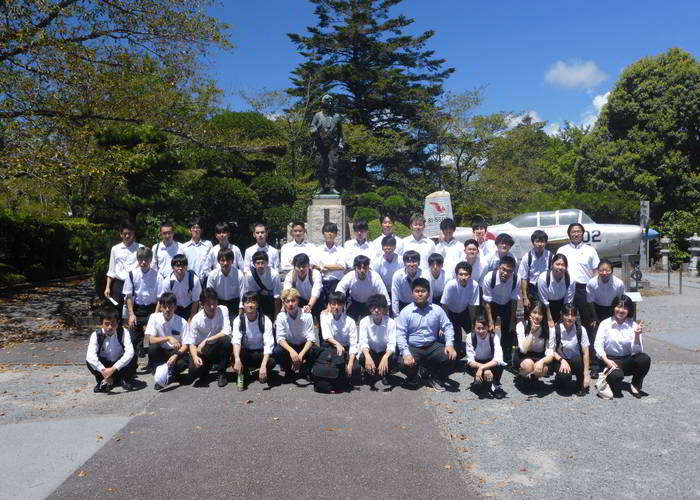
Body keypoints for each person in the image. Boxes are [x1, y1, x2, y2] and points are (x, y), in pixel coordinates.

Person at [396, 278, 457, 392]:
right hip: (414, 347)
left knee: (451, 355)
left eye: (423, 291)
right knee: (402, 363)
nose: (420, 294)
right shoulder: (406, 312)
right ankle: (414, 377)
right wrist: (406, 353)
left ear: (428, 294)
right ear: (412, 293)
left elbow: (448, 327)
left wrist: (449, 344)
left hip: (432, 346)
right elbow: (400, 335)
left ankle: (436, 378)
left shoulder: (437, 309)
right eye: (417, 291)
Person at [556, 222, 600, 376]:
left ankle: (593, 364)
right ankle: (562, 360)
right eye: (573, 232)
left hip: (584, 289)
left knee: (589, 326)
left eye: (578, 231)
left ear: (583, 233)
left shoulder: (590, 250)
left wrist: (594, 290)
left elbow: (595, 271)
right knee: (565, 323)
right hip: (567, 287)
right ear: (569, 234)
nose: (575, 234)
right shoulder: (562, 250)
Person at [594, 295, 650, 398]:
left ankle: (635, 384)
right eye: (618, 307)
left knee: (644, 359)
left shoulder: (633, 325)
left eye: (625, 308)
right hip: (610, 360)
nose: (621, 310)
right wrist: (606, 360)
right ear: (613, 307)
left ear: (629, 310)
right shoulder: (605, 324)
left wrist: (637, 335)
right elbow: (598, 345)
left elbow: (637, 352)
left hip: (626, 360)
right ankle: (608, 377)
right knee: (616, 383)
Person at [185, 288, 233, 388]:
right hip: (204, 350)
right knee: (193, 371)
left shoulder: (223, 309)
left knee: (226, 340)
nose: (212, 307)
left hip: (217, 346)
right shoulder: (196, 319)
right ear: (201, 304)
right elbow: (192, 343)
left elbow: (227, 331)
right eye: (208, 304)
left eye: (214, 303)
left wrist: (207, 340)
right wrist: (195, 357)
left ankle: (222, 373)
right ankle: (206, 368)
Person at [122, 246, 162, 359]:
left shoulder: (157, 276)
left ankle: (147, 351)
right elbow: (129, 296)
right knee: (131, 338)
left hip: (152, 309)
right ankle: (138, 351)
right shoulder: (131, 275)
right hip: (137, 309)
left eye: (146, 259)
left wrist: (155, 317)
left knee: (150, 336)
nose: (143, 262)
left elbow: (160, 299)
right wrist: (131, 314)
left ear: (150, 260)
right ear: (137, 259)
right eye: (141, 259)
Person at [231, 291, 276, 391]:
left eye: (253, 302)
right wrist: (237, 359)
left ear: (257, 305)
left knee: (271, 362)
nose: (250, 305)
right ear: (243, 305)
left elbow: (268, 344)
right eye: (247, 302)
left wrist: (263, 365)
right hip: (246, 353)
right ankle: (241, 376)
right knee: (234, 356)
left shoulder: (265, 320)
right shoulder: (238, 320)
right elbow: (236, 341)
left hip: (260, 353)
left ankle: (260, 371)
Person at [86, 307, 137, 393]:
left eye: (113, 323)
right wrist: (103, 370)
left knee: (133, 357)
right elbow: (90, 356)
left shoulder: (124, 332)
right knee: (89, 362)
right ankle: (103, 380)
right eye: (106, 324)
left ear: (118, 322)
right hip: (104, 365)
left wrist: (113, 369)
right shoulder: (96, 335)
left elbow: (129, 352)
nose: (110, 327)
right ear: (101, 323)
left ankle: (124, 379)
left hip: (119, 365)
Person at [144, 292, 189, 388]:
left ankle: (169, 376)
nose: (167, 310)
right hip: (162, 351)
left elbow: (186, 345)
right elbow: (149, 339)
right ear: (160, 307)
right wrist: (168, 338)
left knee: (184, 362)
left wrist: (176, 355)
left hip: (176, 352)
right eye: (164, 307)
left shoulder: (183, 322)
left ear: (175, 307)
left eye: (170, 307)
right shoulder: (154, 317)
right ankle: (159, 376)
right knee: (152, 349)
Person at [481, 256, 520, 366]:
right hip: (492, 305)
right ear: (499, 267)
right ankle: (488, 354)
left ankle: (506, 354)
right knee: (489, 329)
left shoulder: (516, 279)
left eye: (509, 271)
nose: (505, 273)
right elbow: (487, 302)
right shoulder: (489, 278)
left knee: (508, 330)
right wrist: (490, 321)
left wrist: (512, 321)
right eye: (503, 269)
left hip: (507, 304)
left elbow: (514, 300)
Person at [275, 288, 319, 381]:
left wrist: (301, 355)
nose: (290, 304)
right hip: (289, 346)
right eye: (287, 301)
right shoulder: (280, 316)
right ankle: (288, 370)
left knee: (315, 351)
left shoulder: (307, 315)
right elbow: (280, 338)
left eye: (293, 300)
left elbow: (311, 338)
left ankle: (305, 368)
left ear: (298, 301)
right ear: (284, 303)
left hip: (303, 345)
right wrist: (291, 351)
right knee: (277, 351)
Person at [441, 261, 480, 357]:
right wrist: (444, 324)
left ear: (470, 275)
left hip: (464, 312)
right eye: (461, 274)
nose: (463, 277)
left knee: (474, 333)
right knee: (456, 340)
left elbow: (472, 306)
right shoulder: (450, 285)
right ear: (456, 275)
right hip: (451, 313)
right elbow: (444, 306)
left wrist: (473, 323)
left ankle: (478, 354)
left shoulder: (474, 285)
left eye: (466, 274)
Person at [358, 294, 397, 389]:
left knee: (393, 357)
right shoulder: (364, 321)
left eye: (379, 307)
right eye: (373, 307)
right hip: (371, 352)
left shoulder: (391, 322)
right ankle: (369, 372)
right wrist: (367, 357)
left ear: (384, 309)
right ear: (369, 309)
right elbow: (363, 342)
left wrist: (385, 357)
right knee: (362, 357)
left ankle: (385, 373)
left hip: (384, 352)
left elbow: (392, 344)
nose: (376, 310)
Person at [320, 291, 360, 383]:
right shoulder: (324, 316)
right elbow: (327, 336)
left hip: (346, 348)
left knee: (355, 370)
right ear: (329, 305)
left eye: (339, 304)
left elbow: (353, 344)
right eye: (333, 304)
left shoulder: (350, 322)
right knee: (335, 367)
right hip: (332, 346)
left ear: (344, 305)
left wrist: (350, 364)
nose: (336, 307)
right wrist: (337, 344)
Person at [105, 221, 142, 319]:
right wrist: (107, 287)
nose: (127, 236)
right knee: (116, 312)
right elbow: (111, 270)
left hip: (134, 284)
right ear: (121, 234)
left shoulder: (140, 248)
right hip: (119, 284)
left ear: (133, 234)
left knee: (134, 311)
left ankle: (133, 329)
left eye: (129, 233)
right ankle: (118, 328)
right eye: (125, 233)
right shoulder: (115, 249)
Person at [551, 304, 590, 397]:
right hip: (560, 360)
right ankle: (560, 380)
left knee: (577, 359)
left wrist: (586, 374)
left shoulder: (581, 329)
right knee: (564, 380)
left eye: (572, 315)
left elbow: (586, 353)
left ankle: (580, 382)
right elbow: (551, 350)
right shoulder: (555, 329)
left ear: (576, 316)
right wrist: (562, 360)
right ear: (562, 315)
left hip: (576, 361)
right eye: (567, 315)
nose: (570, 318)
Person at [335, 255, 389, 322]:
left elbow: (384, 295)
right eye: (359, 268)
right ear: (355, 268)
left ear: (368, 267)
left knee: (370, 323)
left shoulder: (375, 277)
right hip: (354, 302)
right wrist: (336, 305)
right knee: (348, 321)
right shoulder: (349, 276)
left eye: (365, 268)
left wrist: (385, 314)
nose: (362, 270)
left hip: (370, 303)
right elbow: (339, 291)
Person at [514, 301, 554, 389]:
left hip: (539, 356)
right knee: (528, 364)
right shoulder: (521, 325)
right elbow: (524, 350)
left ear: (543, 316)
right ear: (530, 313)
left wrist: (541, 362)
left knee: (544, 368)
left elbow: (550, 355)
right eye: (534, 312)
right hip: (523, 356)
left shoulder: (549, 329)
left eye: (540, 314)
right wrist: (532, 332)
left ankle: (534, 378)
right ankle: (523, 377)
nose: (536, 316)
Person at [465, 312, 505, 399]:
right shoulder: (470, 337)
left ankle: (495, 385)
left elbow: (498, 359)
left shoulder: (494, 337)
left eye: (483, 328)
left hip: (491, 362)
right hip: (476, 363)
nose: (481, 331)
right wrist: (485, 368)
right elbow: (470, 361)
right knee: (478, 387)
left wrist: (483, 368)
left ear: (488, 327)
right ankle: (482, 381)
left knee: (500, 364)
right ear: (473, 327)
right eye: (478, 328)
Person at [310, 94, 344, 194]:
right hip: (320, 144)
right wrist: (316, 128)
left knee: (333, 165)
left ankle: (332, 187)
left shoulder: (337, 117)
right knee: (320, 166)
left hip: (332, 145)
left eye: (331, 101)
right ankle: (321, 187)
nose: (329, 103)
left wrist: (341, 143)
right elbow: (311, 130)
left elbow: (341, 133)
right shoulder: (317, 116)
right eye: (327, 101)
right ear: (323, 103)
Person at [312, 222, 347, 311]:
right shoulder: (317, 250)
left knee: (335, 308)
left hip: (336, 283)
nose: (330, 234)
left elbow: (342, 266)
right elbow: (314, 266)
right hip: (321, 282)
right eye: (327, 231)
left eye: (332, 231)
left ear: (336, 234)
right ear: (323, 233)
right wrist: (332, 267)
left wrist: (324, 266)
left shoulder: (341, 250)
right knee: (319, 309)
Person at [517, 230, 552, 318]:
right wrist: (525, 297)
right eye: (537, 241)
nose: (540, 244)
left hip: (546, 288)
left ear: (546, 242)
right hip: (532, 290)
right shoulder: (527, 257)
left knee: (545, 315)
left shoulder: (551, 256)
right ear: (533, 243)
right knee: (531, 316)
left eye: (542, 241)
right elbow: (523, 278)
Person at [157, 253, 201, 321]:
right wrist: (156, 315)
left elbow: (195, 301)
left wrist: (191, 319)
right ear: (172, 267)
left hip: (190, 307)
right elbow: (163, 300)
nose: (180, 268)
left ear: (186, 267)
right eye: (177, 266)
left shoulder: (194, 280)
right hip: (174, 309)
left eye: (183, 265)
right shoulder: (167, 281)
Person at [206, 247, 245, 321]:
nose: (225, 263)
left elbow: (242, 295)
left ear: (232, 261)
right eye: (223, 260)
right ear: (218, 261)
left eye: (228, 260)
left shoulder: (239, 274)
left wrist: (241, 310)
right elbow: (209, 294)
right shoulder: (212, 275)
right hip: (218, 303)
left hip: (234, 303)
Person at [537, 253, 576, 327]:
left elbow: (568, 302)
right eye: (557, 264)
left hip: (561, 306)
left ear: (566, 267)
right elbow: (544, 301)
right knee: (547, 328)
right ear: (552, 265)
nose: (560, 267)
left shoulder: (571, 279)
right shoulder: (543, 278)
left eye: (563, 265)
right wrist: (549, 319)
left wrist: (560, 320)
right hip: (546, 307)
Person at [587, 259, 626, 332]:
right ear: (598, 270)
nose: (604, 273)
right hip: (597, 309)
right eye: (601, 270)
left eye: (607, 270)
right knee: (597, 331)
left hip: (613, 310)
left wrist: (620, 315)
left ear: (612, 271)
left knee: (613, 331)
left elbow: (622, 300)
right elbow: (590, 301)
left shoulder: (619, 283)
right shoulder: (591, 283)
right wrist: (594, 317)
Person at [242, 250, 281, 321]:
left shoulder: (274, 275)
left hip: (271, 300)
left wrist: (276, 318)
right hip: (257, 299)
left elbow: (277, 298)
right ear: (254, 264)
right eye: (258, 263)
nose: (260, 266)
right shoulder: (249, 275)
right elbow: (250, 295)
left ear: (267, 263)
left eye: (263, 263)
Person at [283, 253, 322, 318]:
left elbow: (316, 292)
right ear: (294, 267)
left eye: (304, 266)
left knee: (320, 317)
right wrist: (284, 306)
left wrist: (309, 306)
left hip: (316, 300)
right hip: (301, 300)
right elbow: (286, 292)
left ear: (309, 266)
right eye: (298, 266)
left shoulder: (315, 274)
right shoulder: (290, 275)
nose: (301, 269)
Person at [391, 250, 426, 317]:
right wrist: (396, 316)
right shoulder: (397, 275)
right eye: (409, 262)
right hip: (403, 304)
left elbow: (428, 296)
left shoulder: (424, 275)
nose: (412, 264)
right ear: (404, 263)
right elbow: (395, 297)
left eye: (414, 261)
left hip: (419, 304)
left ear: (419, 263)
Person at [370, 235, 402, 300]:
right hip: (383, 291)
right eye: (386, 246)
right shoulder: (377, 262)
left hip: (398, 290)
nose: (388, 248)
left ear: (395, 247)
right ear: (382, 247)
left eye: (391, 245)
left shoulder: (401, 260)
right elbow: (375, 278)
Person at [182, 218, 212, 285]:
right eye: (193, 228)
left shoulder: (208, 244)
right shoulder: (184, 247)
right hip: (189, 280)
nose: (195, 230)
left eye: (198, 228)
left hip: (206, 281)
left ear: (201, 230)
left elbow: (212, 262)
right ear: (190, 230)